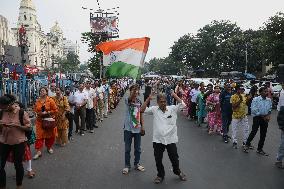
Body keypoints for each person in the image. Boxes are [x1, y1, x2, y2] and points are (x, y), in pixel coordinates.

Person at [141, 92, 187, 184]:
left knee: (174, 158)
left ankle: (177, 171)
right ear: (157, 102)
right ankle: (160, 175)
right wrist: (148, 99)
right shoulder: (154, 109)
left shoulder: (172, 109)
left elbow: (183, 105)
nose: (163, 103)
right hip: (158, 140)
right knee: (158, 159)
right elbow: (142, 109)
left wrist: (174, 95)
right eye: (161, 101)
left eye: (164, 101)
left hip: (170, 139)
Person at [0, 94, 31, 189]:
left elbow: (28, 127)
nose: (2, 108)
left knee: (18, 165)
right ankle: (2, 186)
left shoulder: (21, 112)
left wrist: (17, 126)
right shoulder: (2, 112)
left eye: (3, 106)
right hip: (4, 141)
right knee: (0, 166)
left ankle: (19, 185)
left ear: (10, 104)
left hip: (19, 142)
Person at [122, 85, 145, 175]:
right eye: (133, 91)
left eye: (136, 91)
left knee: (138, 149)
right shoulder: (127, 100)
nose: (135, 92)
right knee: (127, 149)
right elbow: (130, 98)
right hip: (128, 129)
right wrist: (133, 91)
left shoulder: (139, 101)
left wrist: (143, 126)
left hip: (137, 129)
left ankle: (137, 163)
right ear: (130, 92)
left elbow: (141, 114)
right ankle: (127, 165)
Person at [243, 87, 272, 155]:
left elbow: (270, 109)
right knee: (254, 131)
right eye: (265, 91)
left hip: (265, 118)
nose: (267, 93)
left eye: (267, 91)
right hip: (257, 118)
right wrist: (263, 116)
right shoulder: (256, 99)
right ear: (260, 92)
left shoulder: (269, 100)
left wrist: (268, 116)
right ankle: (246, 145)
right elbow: (254, 109)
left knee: (263, 134)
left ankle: (259, 149)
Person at [33, 87, 58, 159]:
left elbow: (55, 110)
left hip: (48, 121)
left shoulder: (50, 100)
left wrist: (48, 112)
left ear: (46, 92)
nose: (42, 92)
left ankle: (49, 147)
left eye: (43, 91)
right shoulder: (37, 101)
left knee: (49, 135)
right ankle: (38, 151)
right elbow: (35, 109)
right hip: (40, 121)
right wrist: (38, 113)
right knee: (39, 136)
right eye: (40, 91)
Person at [230, 85, 250, 149]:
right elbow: (233, 107)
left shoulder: (244, 95)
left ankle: (245, 142)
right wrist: (240, 100)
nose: (243, 90)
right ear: (237, 90)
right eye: (241, 89)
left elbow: (246, 104)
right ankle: (234, 142)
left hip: (243, 116)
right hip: (235, 116)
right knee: (234, 130)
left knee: (246, 129)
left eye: (243, 89)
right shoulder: (233, 96)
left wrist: (249, 99)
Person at [275, 82, 284, 168]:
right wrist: (281, 125)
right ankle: (279, 160)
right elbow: (281, 111)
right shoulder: (283, 93)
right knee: (283, 142)